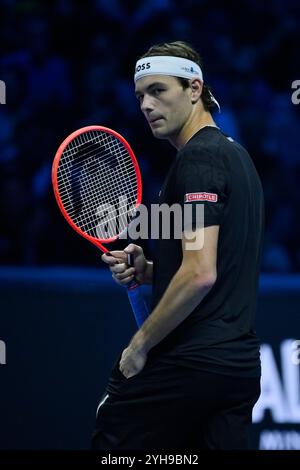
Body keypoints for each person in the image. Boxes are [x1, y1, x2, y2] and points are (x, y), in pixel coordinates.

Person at [92, 41, 264, 450]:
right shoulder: (237, 157)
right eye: (140, 96)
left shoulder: (197, 160)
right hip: (238, 368)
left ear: (194, 89)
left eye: (158, 90)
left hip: (192, 362)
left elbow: (201, 273)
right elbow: (219, 262)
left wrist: (139, 345)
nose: (146, 105)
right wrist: (149, 269)